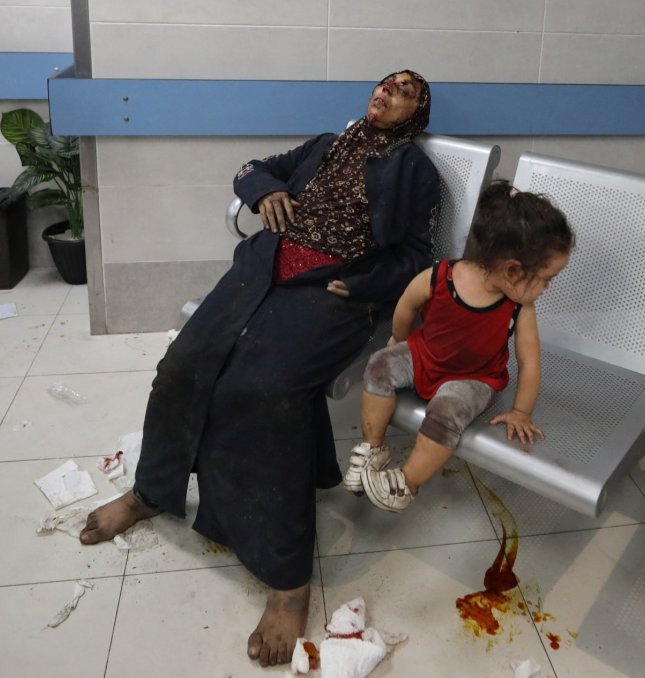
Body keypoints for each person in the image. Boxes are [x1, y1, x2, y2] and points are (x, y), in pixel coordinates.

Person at [80, 71, 439, 666]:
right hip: (263, 268)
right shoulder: (327, 143)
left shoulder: (413, 171)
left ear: (417, 111)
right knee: (181, 368)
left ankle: (288, 578)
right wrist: (263, 192)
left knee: (266, 393)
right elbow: (250, 168)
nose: (387, 94)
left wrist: (360, 283)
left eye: (404, 92)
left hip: (331, 291)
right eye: (384, 84)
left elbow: (418, 255)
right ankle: (151, 492)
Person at [344, 181, 573, 513]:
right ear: (512, 270)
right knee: (379, 365)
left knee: (446, 412)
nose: (547, 288)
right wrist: (399, 339)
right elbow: (407, 305)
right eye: (546, 278)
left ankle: (407, 483)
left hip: (474, 378)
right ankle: (373, 447)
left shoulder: (519, 308)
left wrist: (521, 411)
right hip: (423, 354)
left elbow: (530, 362)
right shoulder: (440, 277)